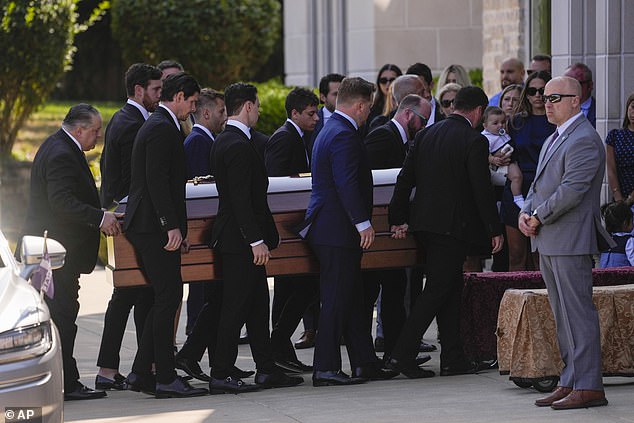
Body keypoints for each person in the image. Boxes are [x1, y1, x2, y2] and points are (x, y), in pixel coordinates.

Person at [386, 86, 503, 379]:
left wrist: (397, 217)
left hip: (424, 225)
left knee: (449, 288)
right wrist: (494, 228)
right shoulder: (474, 140)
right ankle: (401, 354)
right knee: (437, 290)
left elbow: (404, 179)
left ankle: (454, 357)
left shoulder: (426, 134)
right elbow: (481, 189)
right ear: (477, 112)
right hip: (452, 228)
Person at [520, 76, 612, 410]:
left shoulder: (584, 139)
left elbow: (572, 190)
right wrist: (525, 212)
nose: (547, 102)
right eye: (545, 97)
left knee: (577, 314)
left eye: (555, 97)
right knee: (563, 316)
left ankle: (589, 385)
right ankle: (571, 379)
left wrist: (538, 215)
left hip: (570, 238)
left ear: (576, 100)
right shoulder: (555, 137)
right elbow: (539, 183)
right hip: (549, 238)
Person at [299, 77, 397, 386]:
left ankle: (364, 363)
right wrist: (362, 221)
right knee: (338, 300)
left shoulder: (330, 129)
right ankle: (325, 368)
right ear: (359, 105)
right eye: (368, 107)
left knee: (353, 299)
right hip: (337, 231)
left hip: (331, 229)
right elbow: (346, 182)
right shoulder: (342, 134)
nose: (368, 113)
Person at [22, 103, 123, 400]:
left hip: (56, 252)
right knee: (63, 318)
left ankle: (64, 380)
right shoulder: (62, 154)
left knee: (62, 317)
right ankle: (67, 383)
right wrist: (99, 217)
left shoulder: (60, 147)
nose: (98, 137)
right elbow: (62, 203)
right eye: (95, 131)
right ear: (79, 130)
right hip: (55, 255)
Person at [209, 82, 303, 393]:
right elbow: (239, 199)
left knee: (259, 305)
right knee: (235, 307)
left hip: (241, 240)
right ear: (248, 106)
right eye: (258, 106)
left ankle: (266, 369)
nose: (260, 111)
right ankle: (221, 372)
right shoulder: (235, 143)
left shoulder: (230, 139)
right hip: (240, 243)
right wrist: (255, 240)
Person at [123, 73, 208, 399]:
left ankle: (142, 373)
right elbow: (157, 182)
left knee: (164, 298)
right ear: (180, 96)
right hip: (151, 226)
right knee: (168, 298)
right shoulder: (161, 127)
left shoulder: (162, 124)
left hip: (152, 225)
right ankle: (164, 378)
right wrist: (169, 226)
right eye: (192, 101)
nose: (194, 107)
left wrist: (176, 227)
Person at [96, 63, 162, 390]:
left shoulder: (125, 118)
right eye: (155, 90)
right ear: (139, 90)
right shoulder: (135, 124)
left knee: (130, 294)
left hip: (122, 215)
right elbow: (133, 181)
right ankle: (139, 368)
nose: (159, 96)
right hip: (130, 219)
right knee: (143, 293)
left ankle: (116, 368)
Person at [363, 94, 431, 360]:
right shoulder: (383, 137)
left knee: (394, 290)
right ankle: (381, 355)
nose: (424, 126)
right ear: (407, 114)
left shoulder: (401, 140)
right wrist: (393, 219)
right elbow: (374, 186)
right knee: (377, 292)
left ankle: (397, 353)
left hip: (391, 231)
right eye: (422, 120)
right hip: (379, 231)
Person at [264, 87, 320, 373]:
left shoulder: (300, 137)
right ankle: (278, 344)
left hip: (295, 226)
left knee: (296, 289)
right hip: (286, 228)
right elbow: (275, 184)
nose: (316, 118)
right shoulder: (285, 139)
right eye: (310, 113)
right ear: (294, 113)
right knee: (296, 287)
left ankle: (281, 347)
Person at [173, 88, 228, 382]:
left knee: (217, 299)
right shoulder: (198, 142)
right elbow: (197, 191)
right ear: (206, 113)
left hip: (209, 232)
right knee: (214, 299)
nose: (225, 117)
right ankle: (192, 355)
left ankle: (209, 359)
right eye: (221, 111)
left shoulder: (205, 140)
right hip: (205, 232)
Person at [500, 70, 555, 271]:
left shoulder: (557, 123)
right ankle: (517, 301)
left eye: (543, 90)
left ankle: (542, 302)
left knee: (540, 258)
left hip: (546, 189)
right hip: (517, 188)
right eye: (532, 91)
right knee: (516, 255)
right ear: (527, 93)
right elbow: (502, 151)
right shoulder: (516, 122)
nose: (538, 95)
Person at [482, 106, 523, 202]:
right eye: (495, 123)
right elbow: (484, 154)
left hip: (513, 158)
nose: (500, 125)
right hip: (503, 165)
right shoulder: (486, 138)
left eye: (503, 122)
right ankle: (518, 198)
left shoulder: (504, 133)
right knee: (517, 177)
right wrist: (493, 159)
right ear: (485, 126)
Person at [606, 93, 634, 202]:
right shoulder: (615, 135)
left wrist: (630, 199)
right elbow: (611, 169)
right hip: (620, 195)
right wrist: (617, 196)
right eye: (632, 107)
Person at [308, 73, 345, 154]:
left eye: (343, 93)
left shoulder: (356, 119)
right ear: (323, 97)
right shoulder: (311, 119)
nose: (341, 98)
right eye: (336, 94)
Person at [599, 201, 634, 268]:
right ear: (625, 223)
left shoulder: (606, 240)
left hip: (603, 277)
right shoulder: (629, 241)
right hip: (623, 277)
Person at [564, 62, 596, 127]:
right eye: (565, 84)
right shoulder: (557, 108)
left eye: (575, 84)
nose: (569, 88)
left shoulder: (599, 111)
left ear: (590, 86)